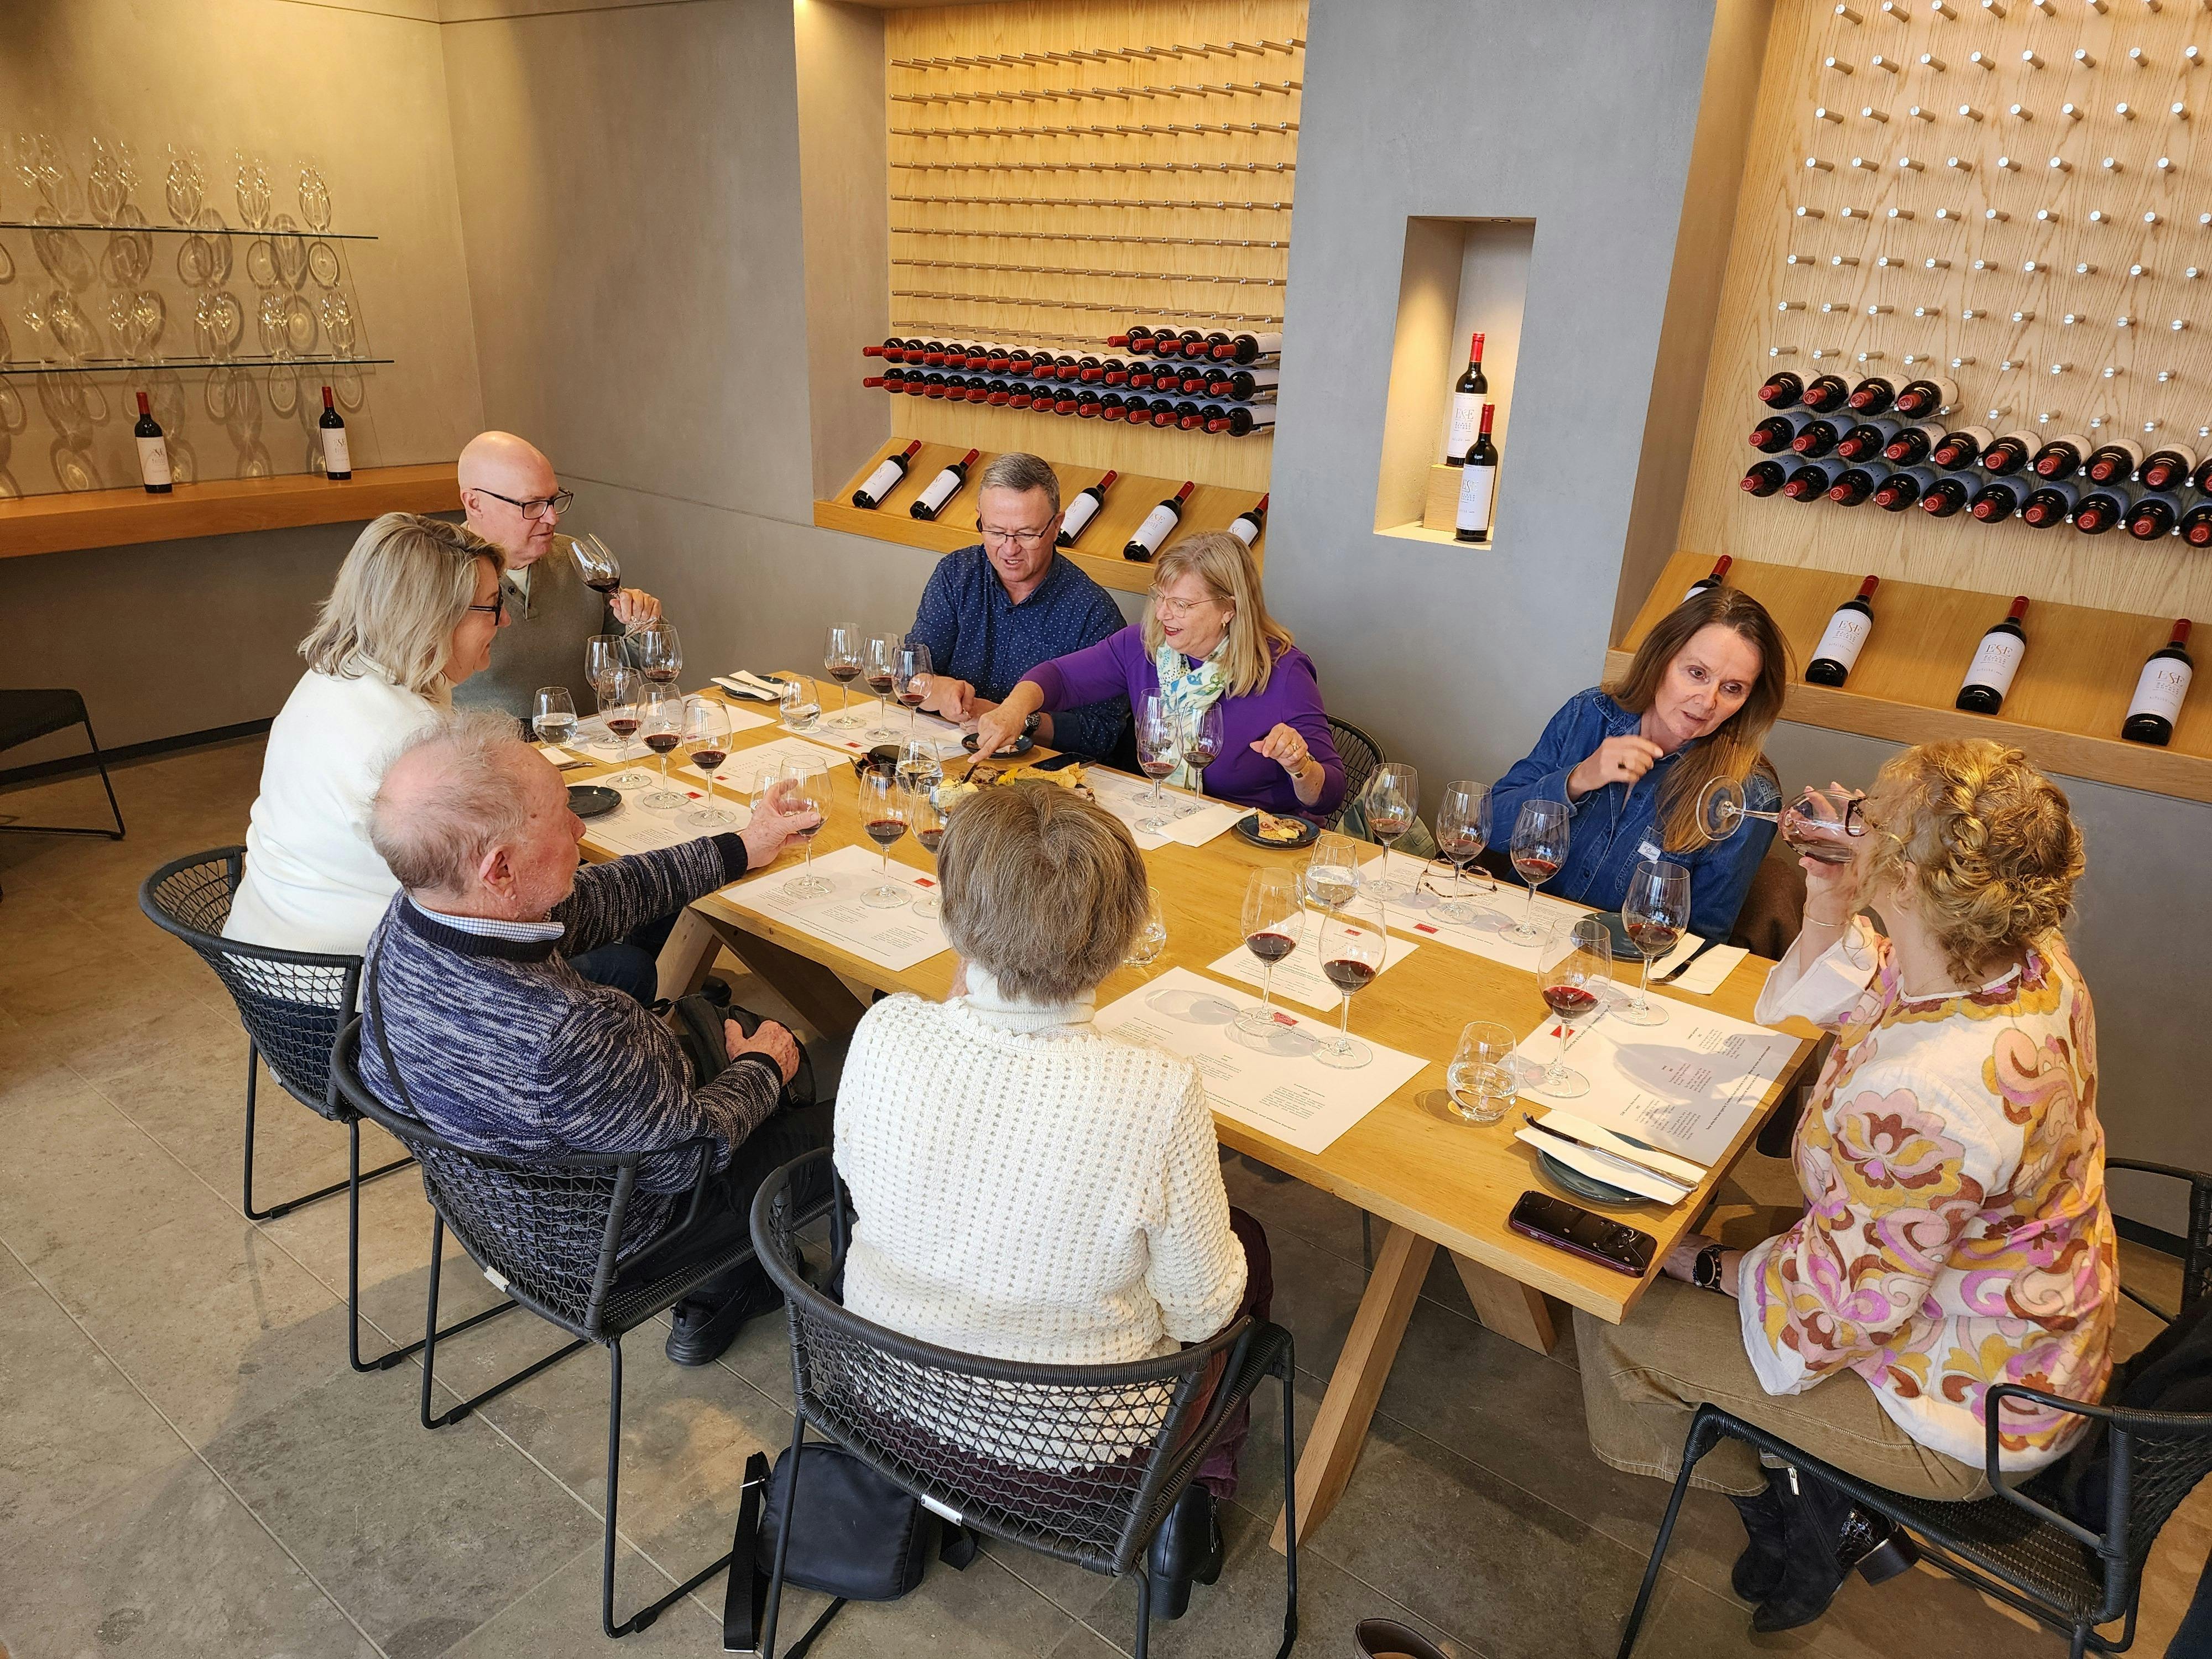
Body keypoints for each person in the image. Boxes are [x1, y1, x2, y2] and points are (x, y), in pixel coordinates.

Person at [1575, 738, 2114, 1637]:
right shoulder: (2021, 954)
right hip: (2029, 1328)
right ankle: (1800, 1472)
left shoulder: (1929, 1094)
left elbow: (1839, 1311)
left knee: (1618, 1313)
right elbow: (1870, 997)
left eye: (1872, 818)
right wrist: (1833, 890)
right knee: (1707, 1225)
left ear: (1909, 882)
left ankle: (1810, 1507)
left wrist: (1704, 1267)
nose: (1847, 814)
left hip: (1965, 1408)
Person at [834, 784, 1271, 1619]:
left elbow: (863, 1180)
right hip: (1075, 1458)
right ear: (1124, 934)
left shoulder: (886, 1029)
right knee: (1247, 1259)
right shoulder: (1158, 1090)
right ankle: (1193, 1497)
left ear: (955, 917)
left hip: (879, 1403)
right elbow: (1203, 1310)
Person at [358, 711, 832, 1365]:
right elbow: (690, 1157)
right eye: (562, 816)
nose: (580, 827)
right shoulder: (562, 1034)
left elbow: (598, 899)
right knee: (862, 1115)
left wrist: (739, 848)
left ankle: (733, 1281)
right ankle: (732, 1289)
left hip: (492, 1211)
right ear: (498, 869)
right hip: (619, 1240)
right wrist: (762, 1068)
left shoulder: (413, 919)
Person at [226, 513, 508, 957]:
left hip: (264, 958)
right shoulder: (415, 738)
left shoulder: (328, 678)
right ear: (432, 617)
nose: (506, 619)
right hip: (351, 988)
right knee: (619, 965)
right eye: (492, 604)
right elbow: (479, 897)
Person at [1488, 587, 1790, 941]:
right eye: (1697, 673)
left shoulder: (1746, 797)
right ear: (1661, 660)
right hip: (1514, 932)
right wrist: (1577, 779)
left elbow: (1702, 942)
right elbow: (1490, 829)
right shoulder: (1589, 714)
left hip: (1620, 973)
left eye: (1733, 688)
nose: (1708, 701)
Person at [973, 531, 1345, 818]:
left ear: (1228, 609)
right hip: (1163, 819)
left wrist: (1300, 765)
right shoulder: (1145, 645)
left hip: (1254, 842)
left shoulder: (1284, 674)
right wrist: (1013, 710)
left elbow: (1329, 795)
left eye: (1182, 604)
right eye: (1161, 597)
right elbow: (1060, 678)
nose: (1164, 614)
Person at [906, 451, 1130, 759]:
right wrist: (934, 690)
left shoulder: (1092, 611)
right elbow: (908, 671)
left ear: (1056, 525)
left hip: (1037, 773)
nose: (1009, 549)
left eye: (1026, 534)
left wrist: (1018, 720)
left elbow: (1101, 734)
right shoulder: (956, 575)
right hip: (946, 753)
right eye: (996, 532)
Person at [450, 430, 661, 721]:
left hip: (589, 752)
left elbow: (634, 663)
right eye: (532, 505)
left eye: (553, 500)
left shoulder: (577, 558)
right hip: (488, 759)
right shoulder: (437, 581)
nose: (553, 518)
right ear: (474, 503)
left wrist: (644, 624)